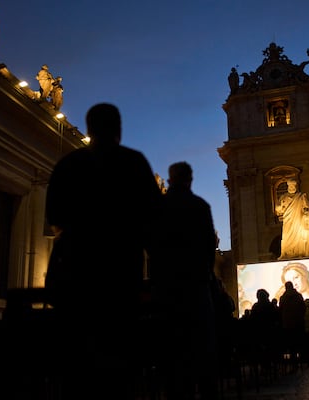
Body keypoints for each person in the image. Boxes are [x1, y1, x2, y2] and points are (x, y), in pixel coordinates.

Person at [44, 103, 162, 399]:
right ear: (118, 130)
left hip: (75, 273)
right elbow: (153, 221)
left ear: (89, 129)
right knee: (119, 360)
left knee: (77, 364)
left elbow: (54, 217)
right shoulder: (134, 163)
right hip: (120, 272)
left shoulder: (68, 165)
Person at [151, 161, 219, 400]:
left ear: (170, 180)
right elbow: (210, 244)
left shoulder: (159, 206)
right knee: (202, 347)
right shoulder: (200, 206)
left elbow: (151, 243)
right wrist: (206, 272)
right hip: (196, 285)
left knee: (172, 351)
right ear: (191, 179)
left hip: (167, 287)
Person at [275, 179, 309, 259]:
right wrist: (280, 207)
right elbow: (278, 209)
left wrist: (306, 212)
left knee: (298, 237)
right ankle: (287, 252)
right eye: (290, 186)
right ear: (288, 187)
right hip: (288, 220)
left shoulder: (301, 196)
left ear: (295, 187)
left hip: (298, 220)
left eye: (293, 186)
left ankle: (299, 251)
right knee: (287, 237)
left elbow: (307, 207)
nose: (291, 188)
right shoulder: (283, 197)